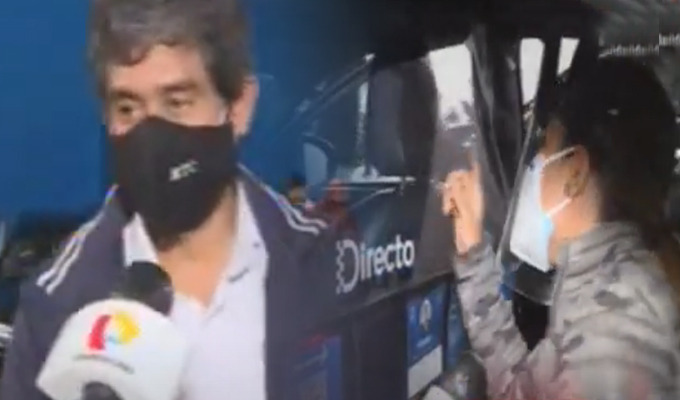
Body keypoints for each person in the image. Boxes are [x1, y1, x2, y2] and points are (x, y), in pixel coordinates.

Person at [0, 0, 333, 399]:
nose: (151, 136)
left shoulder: (325, 262)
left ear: (238, 107)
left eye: (177, 103)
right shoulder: (56, 306)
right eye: (128, 107)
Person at [441, 58, 680, 399]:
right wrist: (473, 252)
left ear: (575, 173)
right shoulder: (605, 283)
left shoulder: (614, 323)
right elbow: (526, 391)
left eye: (544, 151)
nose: (533, 171)